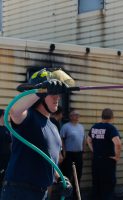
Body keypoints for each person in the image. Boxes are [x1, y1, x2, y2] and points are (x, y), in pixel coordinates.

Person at [0, 68, 72, 200]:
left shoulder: (53, 127)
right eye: (52, 93)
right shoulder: (29, 117)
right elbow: (14, 111)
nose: (57, 97)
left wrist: (60, 179)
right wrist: (41, 90)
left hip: (41, 193)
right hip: (19, 192)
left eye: (58, 93)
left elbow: (48, 160)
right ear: (40, 97)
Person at [86, 108, 122, 200]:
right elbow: (117, 143)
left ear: (102, 116)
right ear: (112, 117)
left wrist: (94, 150)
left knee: (96, 184)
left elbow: (88, 140)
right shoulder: (111, 128)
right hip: (108, 161)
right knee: (108, 186)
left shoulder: (94, 127)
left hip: (96, 160)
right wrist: (117, 157)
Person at [60, 109, 85, 199]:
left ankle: (76, 194)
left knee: (78, 174)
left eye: (78, 114)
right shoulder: (66, 127)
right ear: (70, 116)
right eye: (74, 114)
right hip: (69, 154)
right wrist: (64, 151)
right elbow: (61, 139)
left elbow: (83, 140)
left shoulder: (81, 127)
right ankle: (66, 195)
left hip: (78, 154)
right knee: (67, 174)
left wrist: (83, 151)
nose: (77, 116)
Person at [0, 109, 12, 198]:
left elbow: (10, 144)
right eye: (4, 116)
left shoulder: (7, 129)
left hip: (6, 159)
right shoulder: (5, 129)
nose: (6, 118)